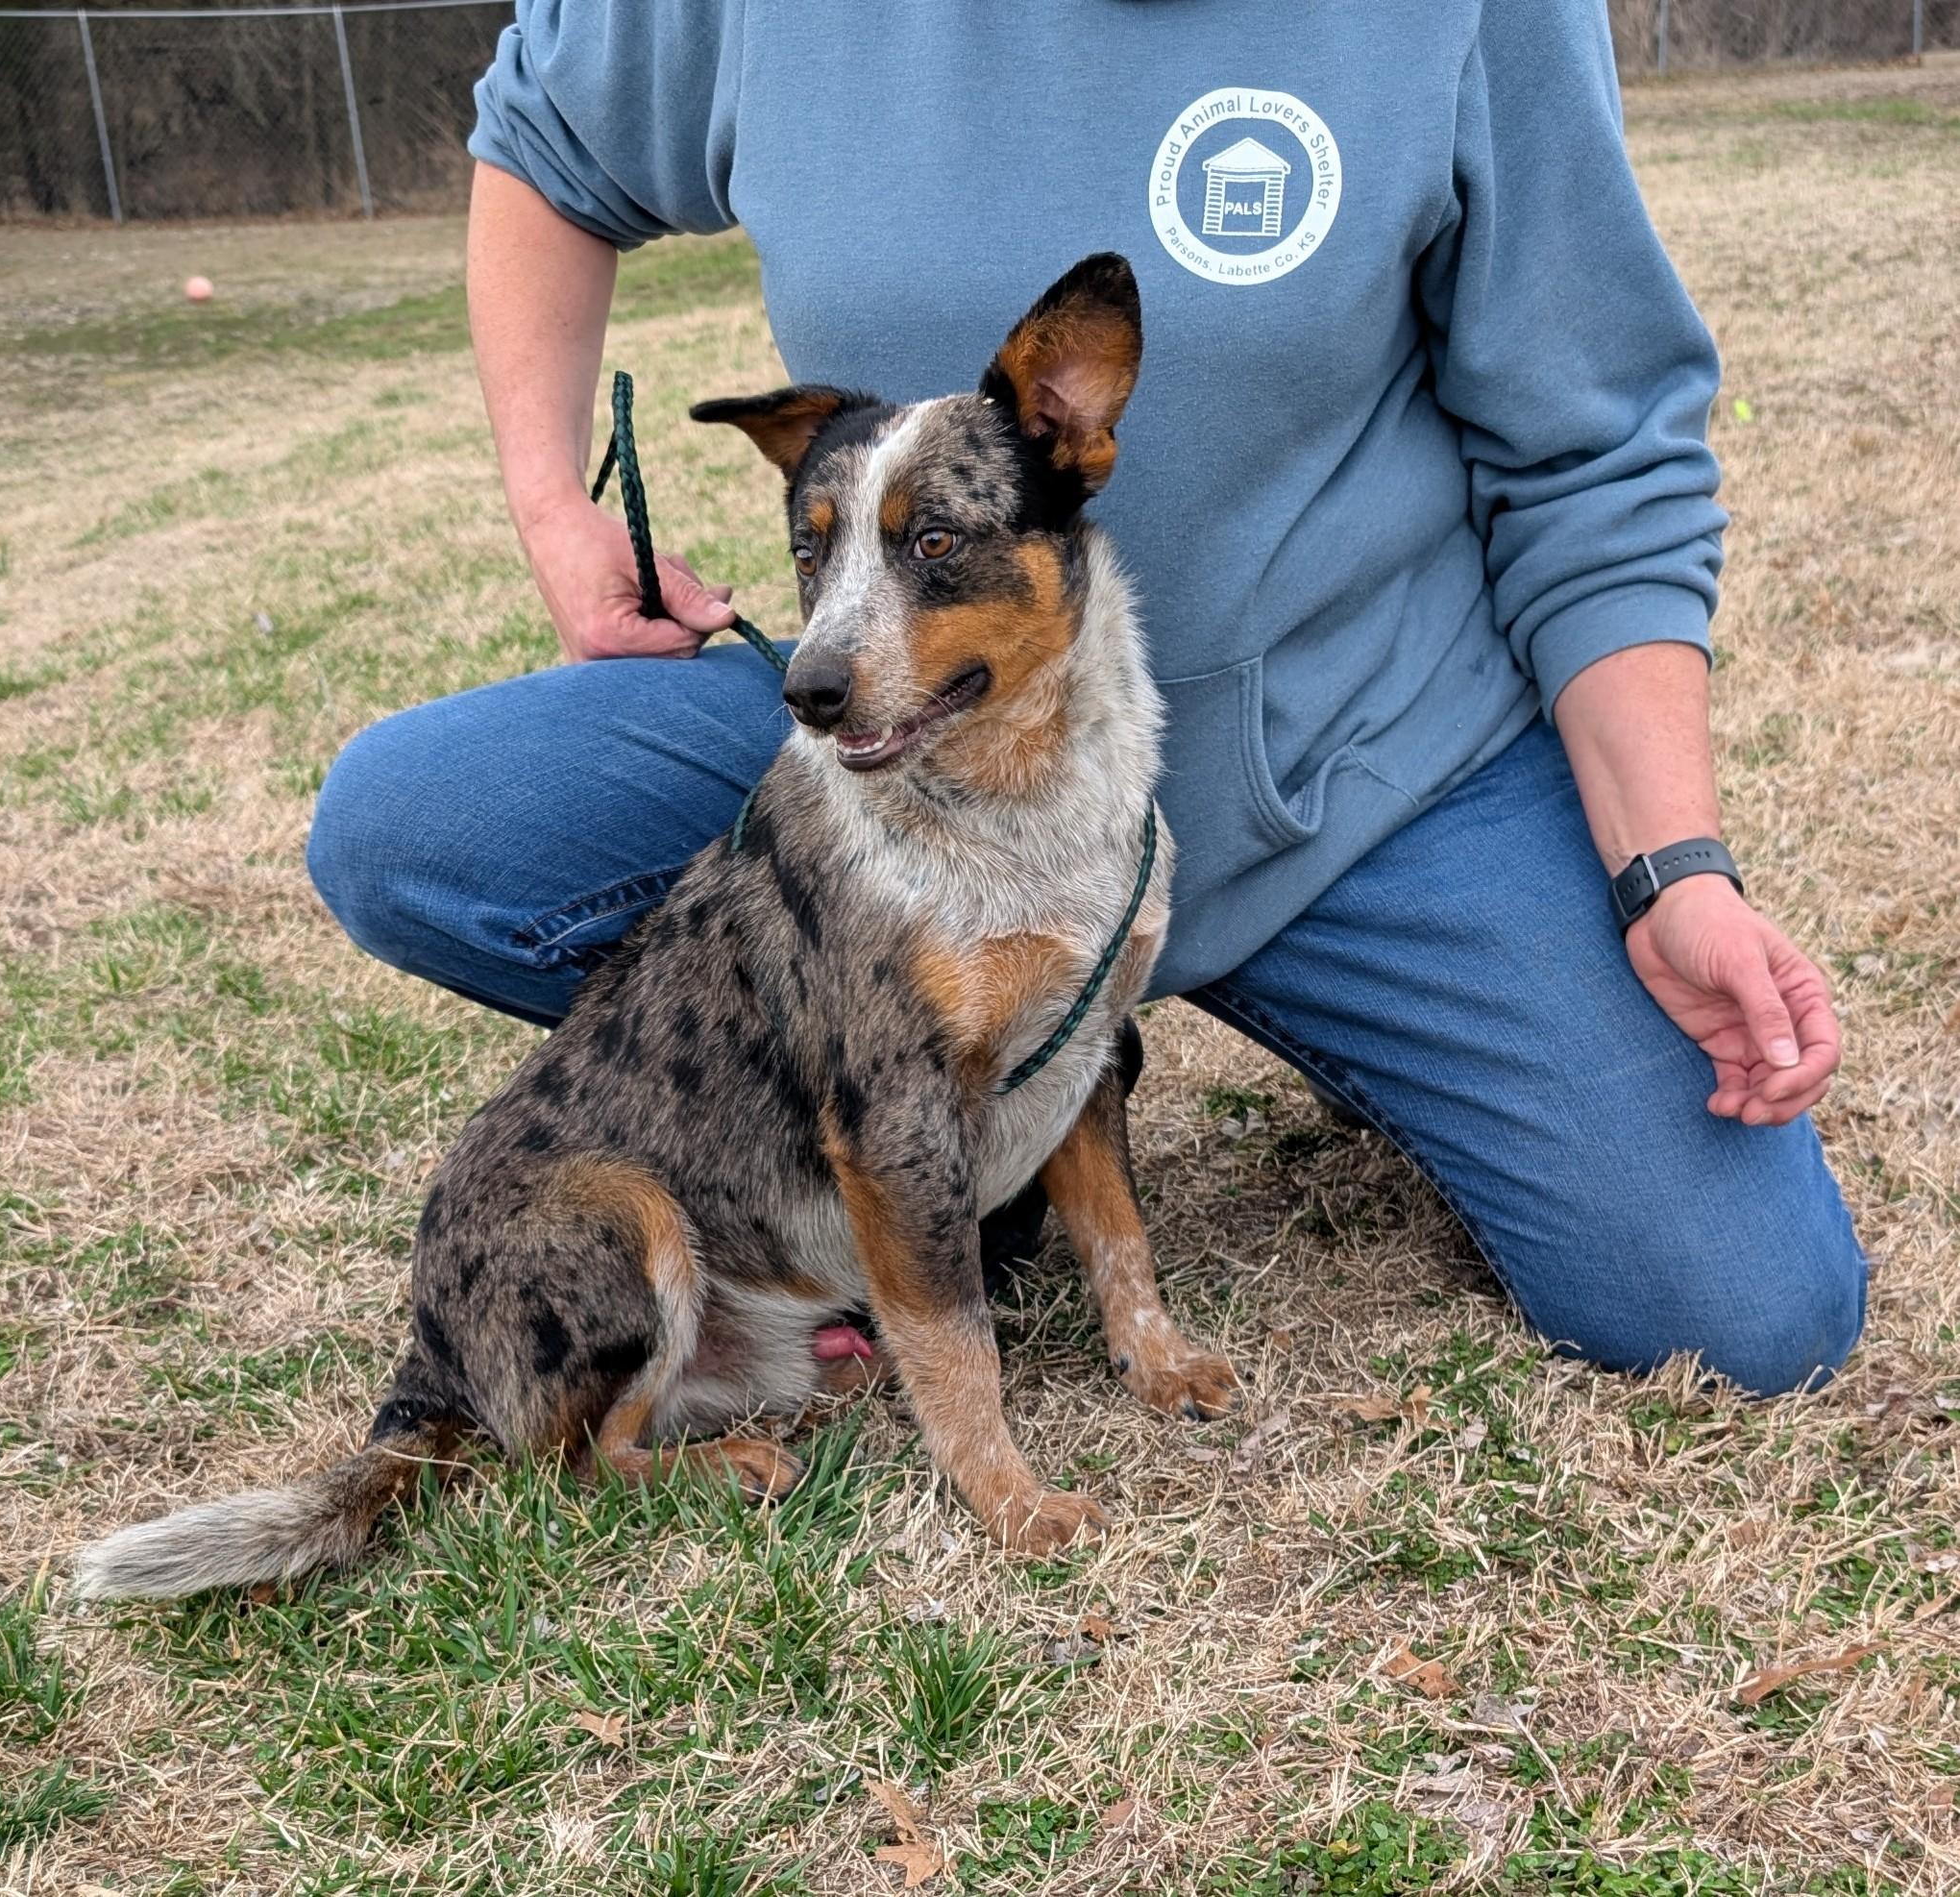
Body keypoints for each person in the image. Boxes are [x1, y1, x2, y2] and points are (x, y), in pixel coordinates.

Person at [306, 1, 1866, 1397]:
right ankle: (951, 1095)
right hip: (904, 753)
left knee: (1748, 1308)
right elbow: (541, 146)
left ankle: (1136, 1056)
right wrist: (554, 508)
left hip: (1360, 779)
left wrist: (1672, 866)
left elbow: (1595, 452)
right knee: (419, 829)